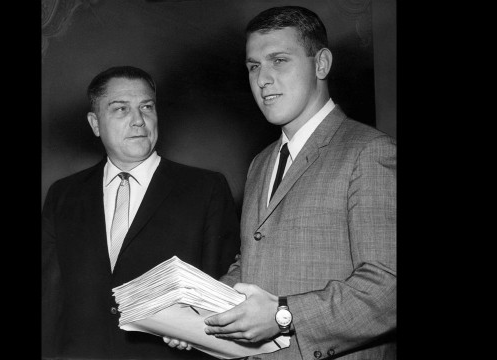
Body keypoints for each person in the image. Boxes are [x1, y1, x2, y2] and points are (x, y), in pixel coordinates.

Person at [164, 6, 396, 360]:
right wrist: (200, 312)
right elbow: (253, 263)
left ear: (321, 64)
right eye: (254, 66)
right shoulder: (261, 162)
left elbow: (387, 288)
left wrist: (283, 316)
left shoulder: (369, 151)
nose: (262, 79)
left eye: (279, 60)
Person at [42, 66, 241, 359]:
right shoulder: (64, 194)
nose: (138, 121)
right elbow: (50, 299)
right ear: (95, 123)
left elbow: (221, 291)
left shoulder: (205, 189)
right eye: (121, 109)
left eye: (146, 107)